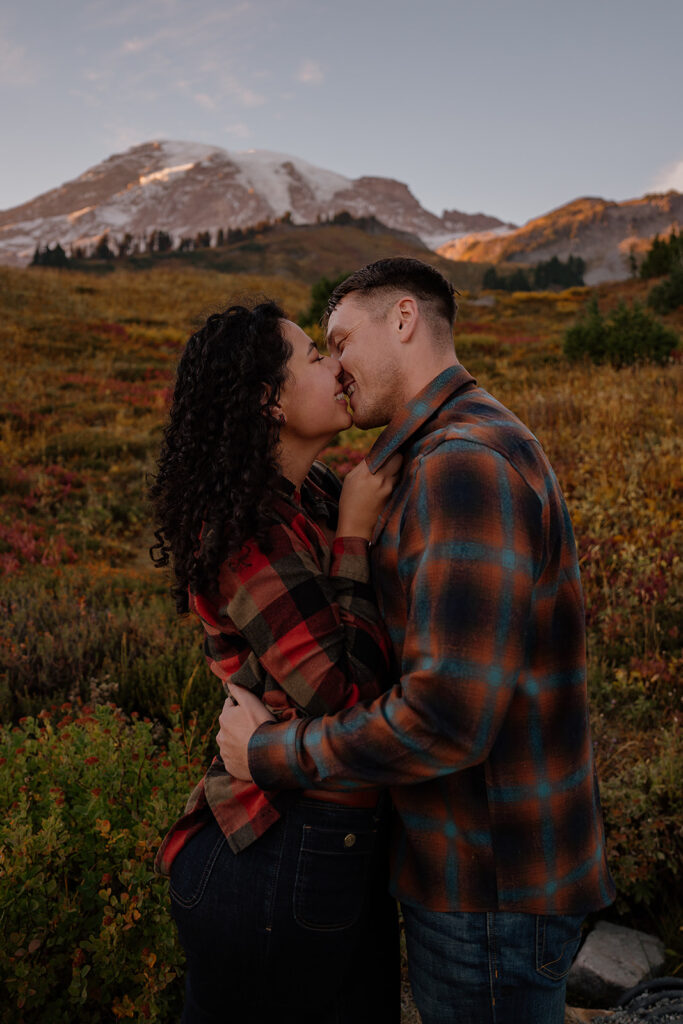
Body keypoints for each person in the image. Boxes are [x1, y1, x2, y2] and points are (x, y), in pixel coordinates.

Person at [217, 259, 617, 1024]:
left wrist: (267, 753)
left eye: (338, 340)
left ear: (402, 320)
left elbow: (445, 719)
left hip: (485, 884)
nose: (333, 367)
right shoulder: (435, 452)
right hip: (483, 875)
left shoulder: (460, 465)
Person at [149, 300, 402, 1023]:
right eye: (315, 358)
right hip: (273, 853)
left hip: (327, 844)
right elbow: (340, 697)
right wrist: (354, 536)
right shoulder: (243, 531)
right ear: (270, 400)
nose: (336, 366)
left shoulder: (312, 494)